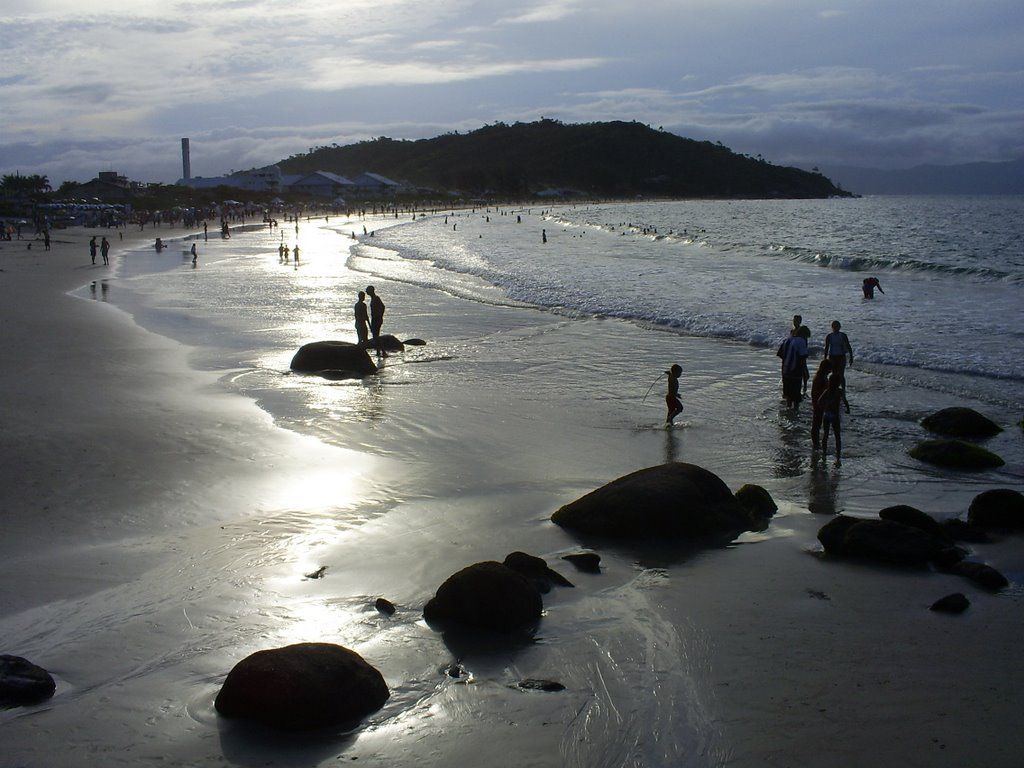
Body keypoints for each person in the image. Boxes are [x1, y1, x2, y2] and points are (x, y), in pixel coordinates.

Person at [817, 374, 850, 457]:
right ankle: (838, 454)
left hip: (826, 414)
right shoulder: (839, 391)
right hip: (835, 415)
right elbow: (845, 401)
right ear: (839, 383)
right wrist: (848, 409)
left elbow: (819, 401)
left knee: (826, 434)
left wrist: (823, 408)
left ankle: (824, 452)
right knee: (837, 435)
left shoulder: (827, 391)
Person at [781, 325, 809, 409]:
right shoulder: (801, 341)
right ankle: (795, 412)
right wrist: (806, 372)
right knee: (796, 397)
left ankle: (788, 410)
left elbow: (781, 355)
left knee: (788, 396)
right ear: (804, 334)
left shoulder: (787, 340)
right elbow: (802, 359)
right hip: (796, 371)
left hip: (786, 371)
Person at [810, 359, 833, 449]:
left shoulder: (821, 376)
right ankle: (816, 444)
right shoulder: (820, 378)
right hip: (818, 403)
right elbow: (819, 391)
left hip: (819, 403)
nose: (830, 371)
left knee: (817, 424)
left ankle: (816, 443)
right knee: (816, 424)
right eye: (829, 369)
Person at [823, 320, 854, 385]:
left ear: (840, 327)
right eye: (834, 326)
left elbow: (848, 345)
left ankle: (843, 390)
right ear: (832, 327)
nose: (836, 328)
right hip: (832, 357)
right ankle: (834, 389)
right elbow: (826, 348)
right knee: (834, 374)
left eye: (837, 326)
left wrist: (851, 356)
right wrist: (825, 359)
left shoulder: (843, 335)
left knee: (841, 374)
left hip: (841, 356)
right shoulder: (829, 336)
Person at [366, 285, 386, 356]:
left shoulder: (376, 298)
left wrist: (380, 315)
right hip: (375, 318)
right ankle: (378, 351)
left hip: (377, 319)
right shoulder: (373, 299)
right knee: (375, 336)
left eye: (367, 290)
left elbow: (383, 307)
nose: (366, 292)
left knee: (376, 336)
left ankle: (383, 351)